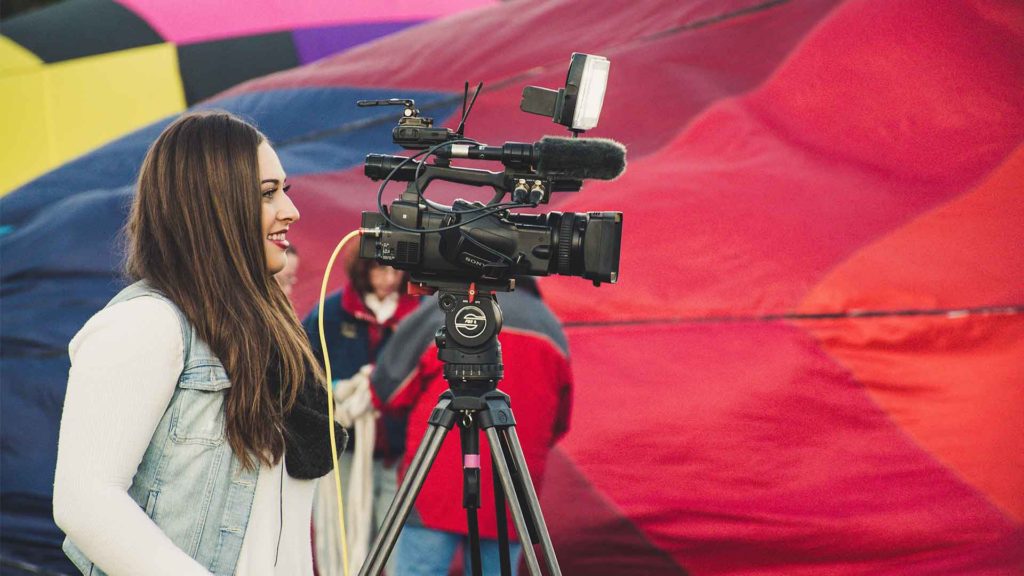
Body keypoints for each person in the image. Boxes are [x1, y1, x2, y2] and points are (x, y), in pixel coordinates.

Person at [52, 111, 346, 576]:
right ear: (213, 207)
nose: (291, 210)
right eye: (267, 194)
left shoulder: (269, 332)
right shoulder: (147, 324)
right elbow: (85, 500)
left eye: (284, 191)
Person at [371, 278, 573, 576]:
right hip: (510, 494)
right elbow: (559, 424)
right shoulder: (550, 326)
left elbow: (387, 390)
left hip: (433, 487)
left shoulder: (446, 311)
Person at [302, 252, 420, 576]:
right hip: (346, 449)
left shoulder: (416, 315)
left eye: (396, 270)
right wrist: (340, 389)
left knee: (398, 535)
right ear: (363, 270)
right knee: (346, 532)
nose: (389, 280)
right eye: (380, 270)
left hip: (399, 452)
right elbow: (304, 366)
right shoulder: (332, 311)